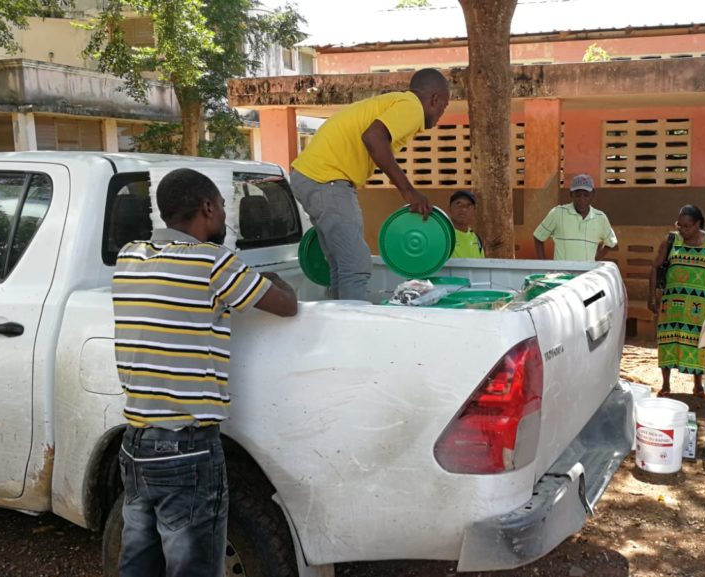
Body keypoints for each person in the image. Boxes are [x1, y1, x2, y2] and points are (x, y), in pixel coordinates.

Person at [112, 168, 298, 577]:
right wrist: (271, 279)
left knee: (138, 562)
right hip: (188, 449)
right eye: (223, 210)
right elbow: (287, 305)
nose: (225, 220)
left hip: (135, 443)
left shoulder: (130, 257)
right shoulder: (212, 263)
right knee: (193, 566)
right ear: (208, 208)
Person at [290, 68, 451, 300]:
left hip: (310, 176)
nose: (441, 115)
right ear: (435, 98)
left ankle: (340, 327)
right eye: (443, 107)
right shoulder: (412, 106)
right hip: (328, 178)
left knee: (341, 266)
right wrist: (409, 192)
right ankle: (354, 333)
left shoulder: (394, 102)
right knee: (355, 266)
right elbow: (373, 137)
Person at [647, 204, 705, 397]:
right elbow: (655, 267)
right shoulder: (671, 240)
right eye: (679, 225)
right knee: (667, 342)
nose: (682, 229)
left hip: (699, 307)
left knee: (699, 344)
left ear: (698, 224)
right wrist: (651, 296)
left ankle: (698, 386)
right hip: (671, 306)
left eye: (687, 226)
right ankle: (666, 385)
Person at [533, 173, 617, 261]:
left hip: (587, 274)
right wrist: (543, 264)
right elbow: (538, 237)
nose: (582, 199)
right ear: (571, 194)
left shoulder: (600, 218)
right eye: (578, 195)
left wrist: (595, 259)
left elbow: (611, 243)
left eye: (586, 195)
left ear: (592, 194)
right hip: (561, 273)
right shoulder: (558, 213)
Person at [447, 189, 485, 258]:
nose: (463, 209)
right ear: (449, 208)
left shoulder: (476, 239)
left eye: (469, 205)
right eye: (458, 204)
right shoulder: (444, 236)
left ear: (474, 210)